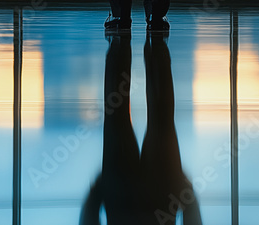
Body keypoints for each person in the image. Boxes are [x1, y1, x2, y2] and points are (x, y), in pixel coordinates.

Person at [80, 31, 203, 225]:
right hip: (122, 195)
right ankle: (121, 40)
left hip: (160, 192)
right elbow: (89, 219)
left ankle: (155, 44)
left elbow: (193, 220)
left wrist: (184, 187)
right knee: (116, 117)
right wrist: (98, 190)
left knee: (161, 118)